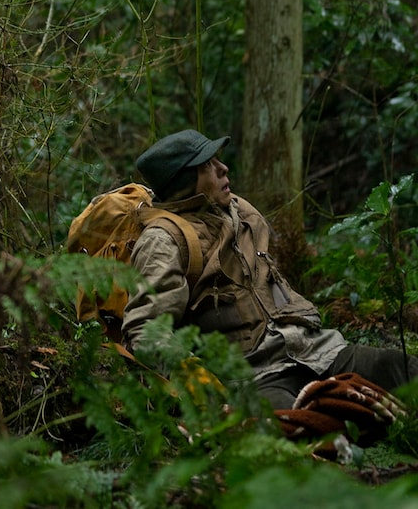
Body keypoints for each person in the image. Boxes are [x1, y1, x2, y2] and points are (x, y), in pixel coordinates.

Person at [122, 128, 418, 410]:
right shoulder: (162, 241)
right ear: (184, 181)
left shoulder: (239, 210)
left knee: (401, 369)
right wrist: (198, 384)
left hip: (314, 350)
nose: (223, 169)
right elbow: (146, 329)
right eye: (208, 166)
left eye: (218, 160)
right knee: (293, 426)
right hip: (255, 375)